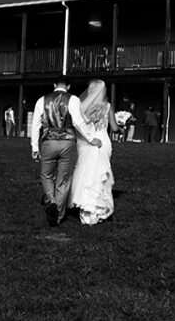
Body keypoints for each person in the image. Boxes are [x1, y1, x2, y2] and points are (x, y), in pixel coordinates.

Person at [30, 75, 102, 226]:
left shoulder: (42, 100)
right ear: (68, 86)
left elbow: (35, 124)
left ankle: (51, 201)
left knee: (46, 175)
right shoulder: (73, 99)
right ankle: (59, 215)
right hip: (67, 142)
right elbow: (77, 122)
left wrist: (35, 147)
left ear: (54, 84)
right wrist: (91, 138)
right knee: (63, 179)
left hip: (48, 141)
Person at [70, 79, 119, 224]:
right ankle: (99, 211)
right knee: (100, 174)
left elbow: (78, 125)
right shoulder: (108, 106)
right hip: (103, 141)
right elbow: (114, 128)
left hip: (87, 142)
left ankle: (86, 211)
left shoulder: (82, 107)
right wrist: (121, 127)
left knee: (87, 173)